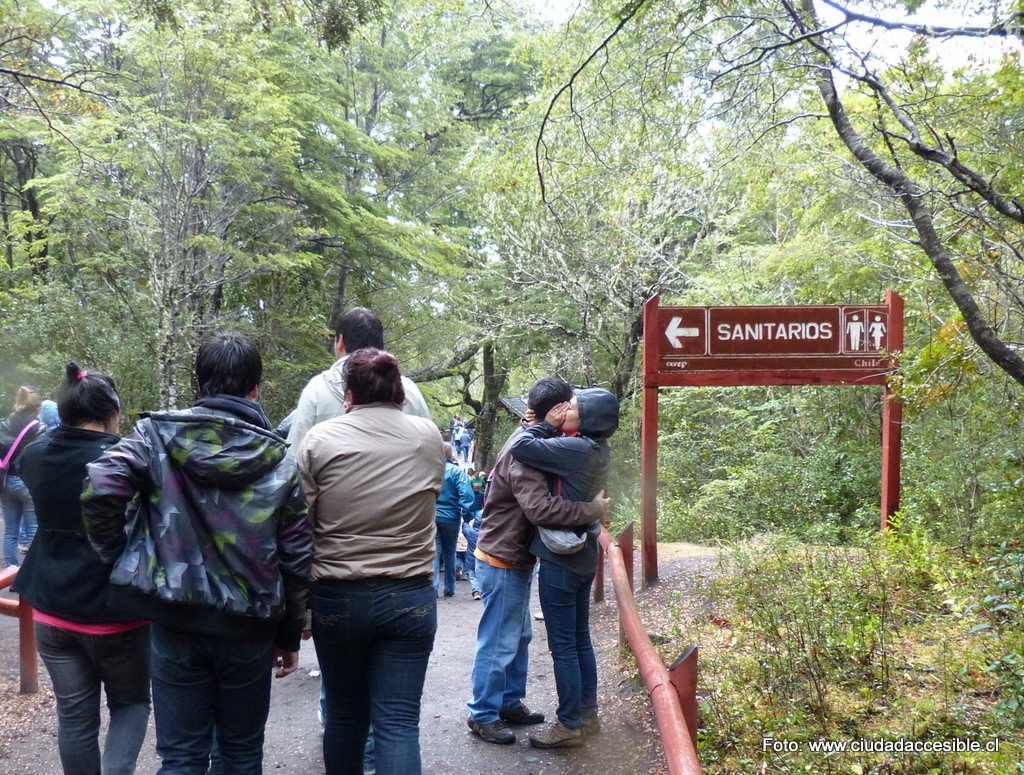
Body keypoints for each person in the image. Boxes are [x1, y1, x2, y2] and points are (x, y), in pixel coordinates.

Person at [81, 332, 313, 774]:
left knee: (182, 756)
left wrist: (121, 557)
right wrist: (289, 635)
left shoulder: (155, 435)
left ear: (200, 383)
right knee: (241, 754)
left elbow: (102, 485)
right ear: (255, 389)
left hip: (175, 620)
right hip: (250, 628)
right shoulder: (281, 460)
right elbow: (297, 556)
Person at [285, 307, 433, 772]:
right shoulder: (427, 436)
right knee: (399, 723)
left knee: (346, 717)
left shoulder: (319, 439)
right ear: (399, 391)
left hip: (338, 595)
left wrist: (297, 607)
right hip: (410, 593)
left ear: (348, 393)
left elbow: (295, 518)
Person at [13, 363, 150, 775]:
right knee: (130, 703)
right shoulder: (126, 459)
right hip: (117, 611)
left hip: (52, 608)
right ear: (112, 411)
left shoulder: (34, 455)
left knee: (74, 716)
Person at [466, 377, 611, 746]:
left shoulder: (544, 441)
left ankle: (509, 701)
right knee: (500, 637)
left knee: (520, 635)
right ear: (555, 413)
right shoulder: (525, 449)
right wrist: (590, 510)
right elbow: (540, 507)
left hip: (519, 554)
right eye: (568, 407)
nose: (570, 413)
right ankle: (482, 714)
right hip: (502, 552)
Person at [509, 387, 620, 748]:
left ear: (585, 418)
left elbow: (521, 447)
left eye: (570, 406)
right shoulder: (597, 449)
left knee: (563, 647)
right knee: (580, 640)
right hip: (584, 557)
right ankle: (587, 714)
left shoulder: (575, 450)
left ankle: (568, 723)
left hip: (561, 561)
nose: (563, 409)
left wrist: (541, 424)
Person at [286, 307, 430, 451]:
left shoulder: (317, 388)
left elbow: (294, 457)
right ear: (381, 344)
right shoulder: (409, 389)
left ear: (340, 341)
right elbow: (429, 448)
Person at [1, 385, 42, 568]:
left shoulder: (2, 425)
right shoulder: (40, 428)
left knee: (10, 530)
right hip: (29, 483)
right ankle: (29, 574)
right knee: (33, 530)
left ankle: (11, 573)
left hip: (5, 482)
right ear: (37, 407)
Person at [434, 442, 475, 597]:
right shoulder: (457, 472)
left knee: (435, 553)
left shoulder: (432, 472)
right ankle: (449, 588)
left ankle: (433, 587)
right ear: (450, 455)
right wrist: (467, 516)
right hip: (451, 517)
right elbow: (467, 495)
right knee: (450, 553)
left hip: (433, 516)